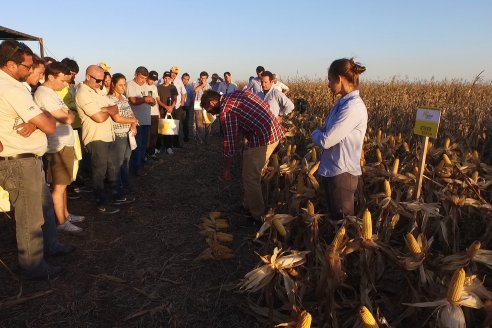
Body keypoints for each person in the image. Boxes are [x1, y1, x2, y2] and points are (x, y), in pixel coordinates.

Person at [0, 40, 62, 280]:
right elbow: (49, 125)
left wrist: (33, 120)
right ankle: (33, 267)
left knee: (43, 208)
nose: (30, 70)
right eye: (26, 66)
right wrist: (41, 117)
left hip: (22, 159)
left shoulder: (11, 86)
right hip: (19, 162)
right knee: (30, 218)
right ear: (11, 65)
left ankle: (50, 246)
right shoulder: (12, 89)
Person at [200, 89, 284, 221]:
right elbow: (265, 105)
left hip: (263, 137)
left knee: (250, 178)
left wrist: (226, 169)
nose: (210, 113)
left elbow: (230, 143)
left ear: (213, 102)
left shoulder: (226, 112)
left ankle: (258, 216)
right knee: (251, 172)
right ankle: (247, 205)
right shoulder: (238, 93)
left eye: (209, 109)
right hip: (273, 130)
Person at [311, 58, 367, 220]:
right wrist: (321, 132)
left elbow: (326, 139)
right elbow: (327, 130)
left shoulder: (353, 107)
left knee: (345, 225)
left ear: (339, 79)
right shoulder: (342, 104)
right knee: (336, 223)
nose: (328, 84)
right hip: (333, 170)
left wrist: (314, 133)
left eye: (329, 80)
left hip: (342, 173)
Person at [34, 62, 85, 233]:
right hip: (57, 145)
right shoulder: (44, 94)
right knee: (59, 185)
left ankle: (66, 214)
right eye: (63, 81)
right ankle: (61, 221)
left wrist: (67, 114)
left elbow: (68, 114)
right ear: (51, 77)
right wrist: (67, 114)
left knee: (63, 182)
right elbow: (68, 118)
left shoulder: (52, 93)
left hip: (65, 142)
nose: (65, 84)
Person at [76, 65, 120, 214]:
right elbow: (99, 118)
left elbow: (115, 108)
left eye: (102, 81)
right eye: (98, 80)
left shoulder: (97, 91)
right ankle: (101, 201)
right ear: (88, 76)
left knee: (111, 167)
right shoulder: (83, 93)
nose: (101, 84)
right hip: (96, 137)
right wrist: (107, 110)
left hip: (107, 135)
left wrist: (105, 109)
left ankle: (112, 195)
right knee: (99, 171)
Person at [107, 73, 138, 202]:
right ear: (113, 84)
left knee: (125, 162)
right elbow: (117, 118)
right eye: (120, 85)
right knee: (117, 164)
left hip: (128, 134)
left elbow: (131, 112)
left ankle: (125, 186)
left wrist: (134, 124)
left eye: (124, 84)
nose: (123, 87)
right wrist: (132, 121)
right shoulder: (109, 99)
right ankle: (117, 191)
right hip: (118, 134)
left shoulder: (124, 98)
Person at [126, 66, 155, 176]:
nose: (143, 80)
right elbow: (132, 100)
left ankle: (141, 165)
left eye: (145, 78)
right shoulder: (130, 85)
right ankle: (136, 167)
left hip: (146, 119)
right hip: (136, 121)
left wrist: (152, 102)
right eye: (142, 78)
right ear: (136, 74)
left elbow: (152, 100)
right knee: (136, 145)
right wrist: (145, 99)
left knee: (143, 144)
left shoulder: (147, 86)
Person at [156, 71, 178, 154]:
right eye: (165, 78)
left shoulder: (173, 87)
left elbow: (175, 99)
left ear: (170, 79)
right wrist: (165, 107)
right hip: (162, 111)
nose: (166, 80)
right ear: (163, 78)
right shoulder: (159, 87)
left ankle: (168, 146)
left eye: (168, 78)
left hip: (171, 111)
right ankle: (158, 147)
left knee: (169, 130)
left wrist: (171, 107)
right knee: (160, 130)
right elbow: (157, 100)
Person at [169, 66, 187, 147]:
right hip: (168, 107)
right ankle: (168, 143)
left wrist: (183, 101)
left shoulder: (179, 81)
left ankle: (176, 143)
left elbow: (184, 92)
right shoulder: (164, 79)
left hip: (177, 106)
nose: (173, 74)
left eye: (175, 73)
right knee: (168, 124)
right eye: (172, 72)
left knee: (177, 125)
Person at [193, 71, 212, 144]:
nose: (203, 79)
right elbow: (195, 90)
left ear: (207, 78)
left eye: (204, 78)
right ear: (200, 78)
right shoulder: (196, 84)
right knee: (199, 124)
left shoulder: (209, 86)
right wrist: (202, 85)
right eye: (201, 78)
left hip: (207, 107)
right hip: (198, 106)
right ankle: (199, 140)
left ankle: (207, 140)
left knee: (208, 123)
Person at [146, 70, 160, 158]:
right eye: (151, 79)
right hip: (147, 113)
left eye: (154, 80)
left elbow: (157, 100)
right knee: (147, 134)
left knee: (154, 134)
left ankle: (152, 152)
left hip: (154, 113)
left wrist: (158, 113)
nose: (152, 81)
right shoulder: (143, 87)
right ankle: (145, 153)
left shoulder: (154, 87)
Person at [181, 73, 193, 142]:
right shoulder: (177, 86)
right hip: (179, 107)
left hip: (186, 107)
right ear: (181, 78)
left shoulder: (190, 88)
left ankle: (186, 137)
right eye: (184, 79)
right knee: (177, 123)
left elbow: (192, 98)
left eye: (187, 79)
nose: (185, 80)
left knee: (185, 123)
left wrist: (189, 107)